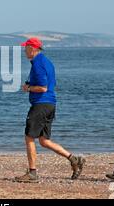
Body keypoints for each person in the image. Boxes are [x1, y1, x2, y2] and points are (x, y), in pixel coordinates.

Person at [14, 37, 86, 183]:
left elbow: (43, 87)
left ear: (33, 49)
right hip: (50, 104)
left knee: (29, 137)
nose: (24, 50)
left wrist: (28, 88)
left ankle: (32, 173)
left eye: (26, 47)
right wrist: (29, 84)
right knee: (44, 141)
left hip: (41, 104)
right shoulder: (45, 62)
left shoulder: (38, 64)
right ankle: (73, 159)